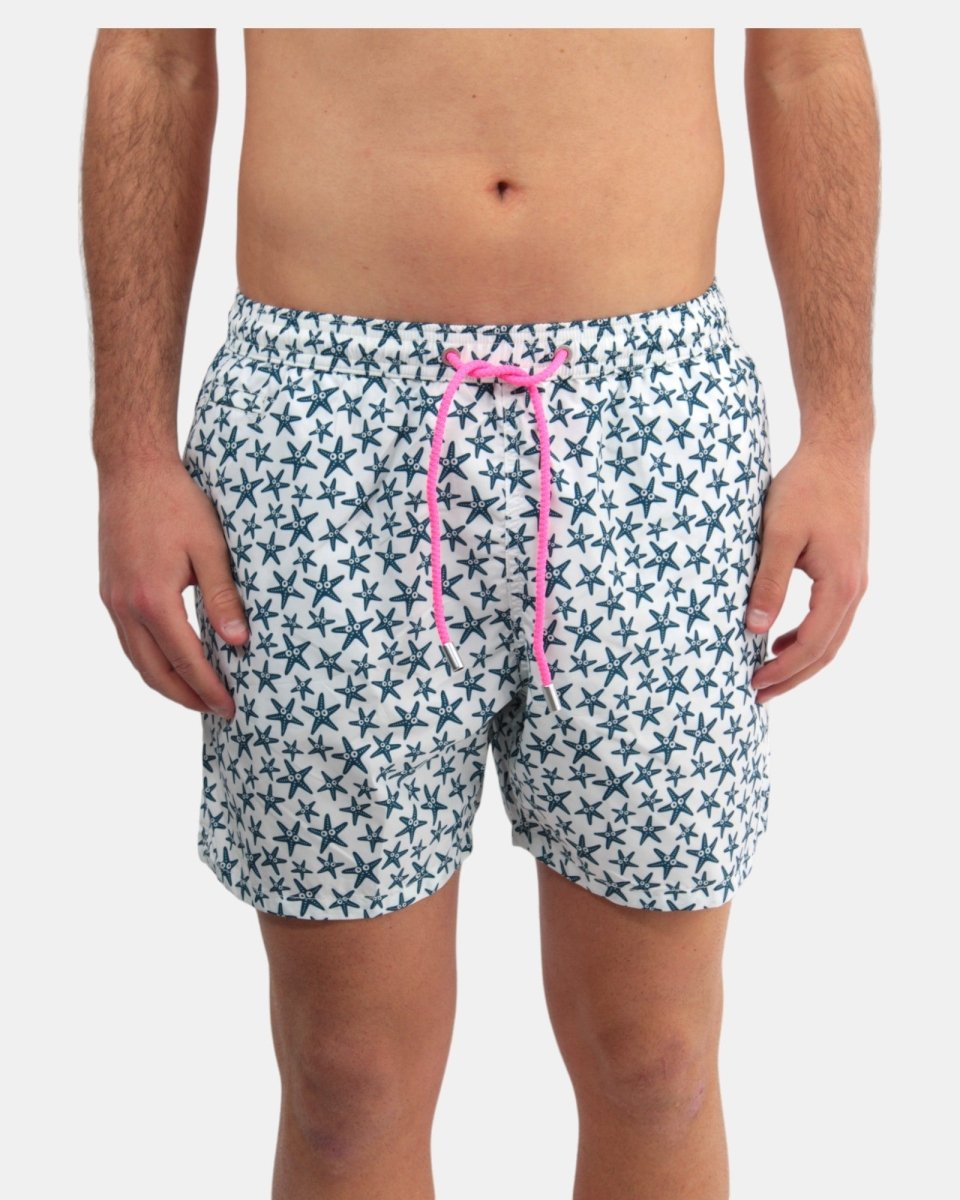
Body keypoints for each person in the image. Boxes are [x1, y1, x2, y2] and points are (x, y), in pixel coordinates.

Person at [82, 27, 877, 1200]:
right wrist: (130, 450)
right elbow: (154, 51)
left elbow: (810, 57)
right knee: (346, 1081)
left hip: (646, 425)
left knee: (657, 1061)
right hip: (321, 429)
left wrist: (844, 431)